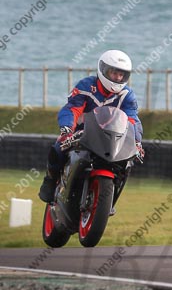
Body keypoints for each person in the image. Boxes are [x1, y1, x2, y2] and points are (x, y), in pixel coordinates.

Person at [38, 49, 143, 203]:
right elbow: (72, 109)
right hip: (82, 132)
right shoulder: (86, 86)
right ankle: (50, 180)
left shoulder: (127, 95)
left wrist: (136, 141)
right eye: (114, 73)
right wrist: (67, 128)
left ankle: (111, 198)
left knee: (127, 163)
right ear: (103, 70)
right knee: (58, 147)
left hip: (111, 138)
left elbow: (132, 120)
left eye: (122, 74)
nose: (118, 77)